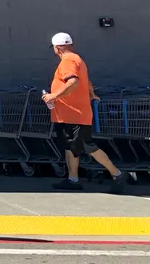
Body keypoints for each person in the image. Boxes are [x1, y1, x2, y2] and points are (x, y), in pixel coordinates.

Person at [41, 32, 124, 193]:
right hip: (69, 114)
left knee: (88, 146)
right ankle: (73, 179)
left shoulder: (67, 61)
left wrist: (53, 96)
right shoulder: (77, 60)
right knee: (70, 147)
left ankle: (117, 174)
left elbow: (73, 82)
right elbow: (86, 81)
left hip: (74, 114)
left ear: (57, 48)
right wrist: (92, 94)